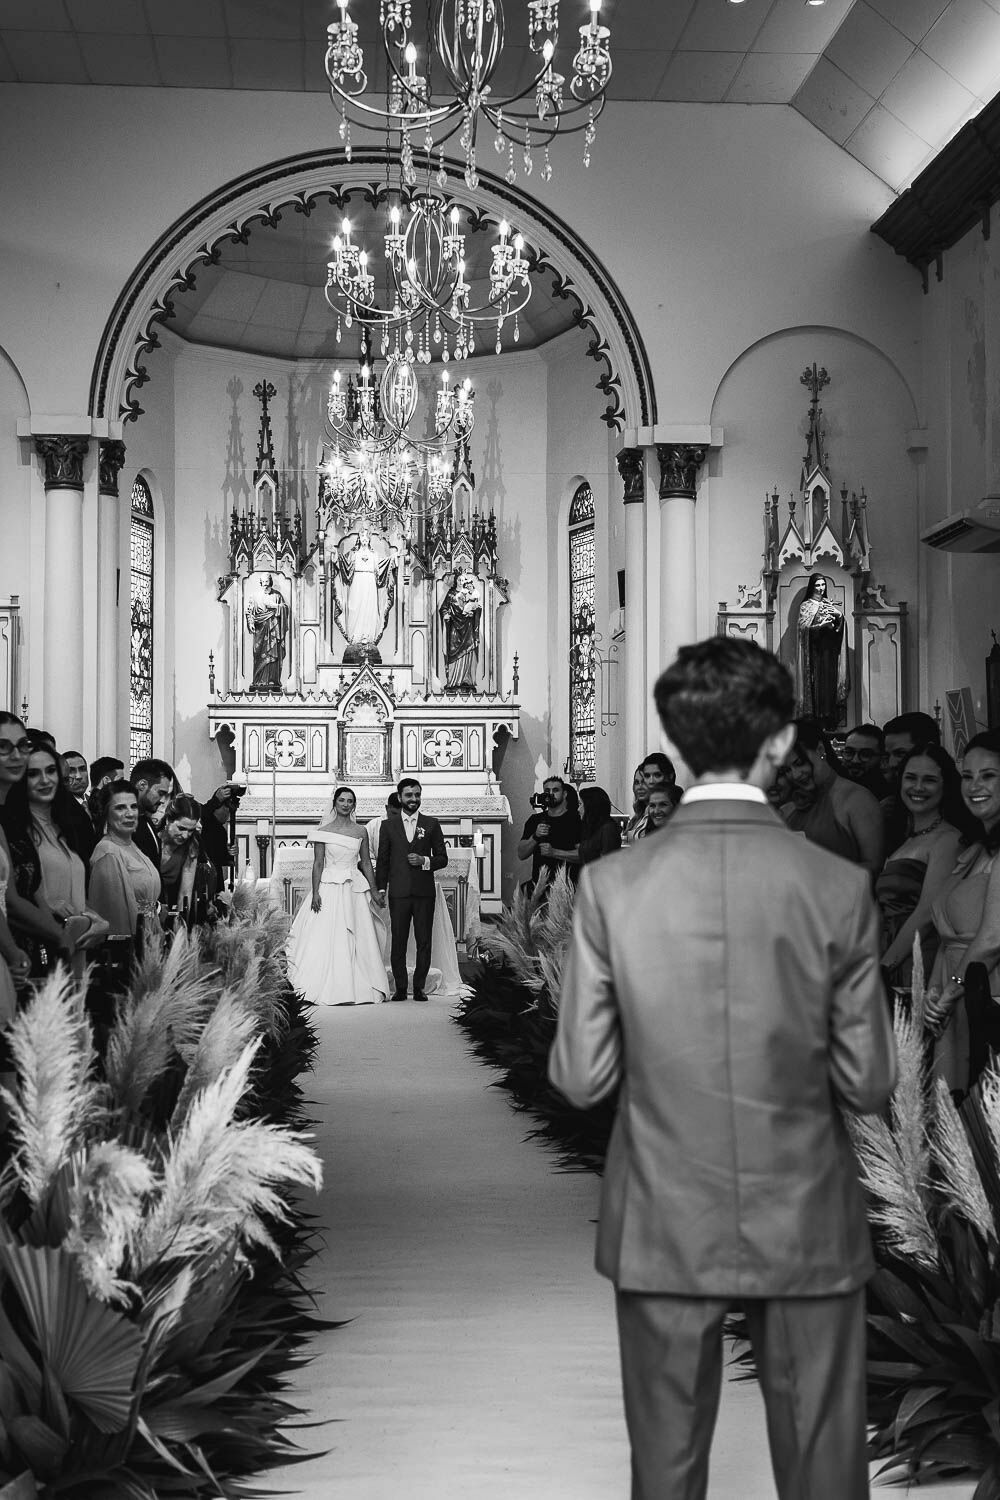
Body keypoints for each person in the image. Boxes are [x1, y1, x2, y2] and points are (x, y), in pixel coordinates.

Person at [549, 634, 894, 1500]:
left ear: (675, 741)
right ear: (779, 744)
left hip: (664, 1208)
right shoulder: (837, 888)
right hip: (807, 1206)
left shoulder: (612, 887)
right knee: (824, 1469)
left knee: (665, 1472)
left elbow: (583, 1078)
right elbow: (869, 1083)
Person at [924, 729, 1000, 1088]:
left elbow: (992, 939)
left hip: (987, 997)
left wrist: (950, 992)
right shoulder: (974, 847)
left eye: (988, 775)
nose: (974, 785)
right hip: (954, 996)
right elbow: (946, 936)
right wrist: (933, 993)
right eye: (967, 776)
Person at [2, 743, 106, 962]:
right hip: (38, 946)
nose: (45, 780)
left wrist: (97, 921)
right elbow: (16, 894)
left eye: (50, 771)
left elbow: (74, 891)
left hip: (76, 941)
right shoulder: (14, 829)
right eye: (33, 774)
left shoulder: (65, 825)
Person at [287, 785, 387, 1006]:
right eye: (342, 800)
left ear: (354, 805)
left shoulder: (361, 831)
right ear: (335, 803)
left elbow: (366, 863)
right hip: (328, 887)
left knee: (355, 934)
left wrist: (373, 888)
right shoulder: (323, 831)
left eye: (350, 801)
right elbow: (318, 863)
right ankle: (318, 984)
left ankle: (358, 984)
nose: (345, 804)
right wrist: (315, 893)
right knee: (324, 933)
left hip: (353, 888)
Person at [876, 744, 967, 987]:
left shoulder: (948, 840)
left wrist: (884, 967)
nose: (917, 787)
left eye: (929, 780)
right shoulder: (903, 839)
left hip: (917, 962)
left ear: (945, 785)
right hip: (889, 955)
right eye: (910, 778)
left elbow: (927, 914)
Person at [0, 713, 72, 975]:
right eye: (3, 747)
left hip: (27, 950)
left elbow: (32, 890)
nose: (16, 755)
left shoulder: (14, 817)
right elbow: (9, 901)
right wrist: (62, 937)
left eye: (22, 745)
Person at [781, 719, 884, 877]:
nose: (795, 775)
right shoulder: (789, 804)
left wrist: (824, 874)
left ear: (821, 749)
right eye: (787, 769)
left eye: (800, 763)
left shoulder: (857, 799)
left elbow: (875, 866)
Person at [376, 778, 449, 1003]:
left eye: (417, 795)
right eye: (409, 795)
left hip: (423, 892)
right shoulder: (388, 826)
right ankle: (400, 988)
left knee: (423, 941)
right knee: (398, 940)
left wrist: (424, 860)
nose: (413, 799)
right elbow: (383, 860)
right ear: (400, 797)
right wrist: (380, 889)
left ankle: (419, 988)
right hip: (398, 891)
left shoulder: (431, 824)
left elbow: (442, 858)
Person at [88, 781, 161, 937]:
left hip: (150, 937)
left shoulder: (132, 845)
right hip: (130, 944)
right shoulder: (107, 852)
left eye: (133, 806)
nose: (130, 813)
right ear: (106, 813)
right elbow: (115, 920)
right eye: (120, 808)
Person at [795, 573, 847, 723]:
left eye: (823, 585)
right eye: (817, 585)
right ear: (812, 586)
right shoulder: (806, 606)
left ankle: (829, 717)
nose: (820, 588)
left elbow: (841, 627)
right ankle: (817, 717)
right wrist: (820, 626)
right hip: (815, 653)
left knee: (829, 684)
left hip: (829, 652)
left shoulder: (828, 604)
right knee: (816, 684)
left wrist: (839, 616)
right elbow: (803, 629)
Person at [516, 776, 582, 888]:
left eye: (555, 790)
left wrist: (554, 852)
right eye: (547, 791)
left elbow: (584, 855)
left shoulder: (576, 820)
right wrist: (535, 837)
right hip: (540, 885)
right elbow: (521, 854)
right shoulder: (535, 820)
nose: (551, 794)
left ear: (564, 794)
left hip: (567, 886)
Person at [158, 794, 218, 914]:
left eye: (191, 830)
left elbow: (185, 893)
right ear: (168, 820)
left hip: (170, 903)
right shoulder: (152, 841)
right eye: (181, 828)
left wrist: (181, 923)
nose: (186, 836)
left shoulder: (191, 846)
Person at [440, 570, 482, 690]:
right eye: (459, 580)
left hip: (468, 627)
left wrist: (474, 612)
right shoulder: (451, 594)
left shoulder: (469, 594)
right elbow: (443, 608)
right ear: (455, 581)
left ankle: (466, 680)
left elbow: (477, 607)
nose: (461, 582)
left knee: (469, 651)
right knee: (453, 652)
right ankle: (453, 681)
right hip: (455, 628)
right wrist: (445, 615)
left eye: (463, 580)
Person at [246, 572, 289, 689]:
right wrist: (251, 623)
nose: (265, 585)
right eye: (263, 582)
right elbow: (249, 612)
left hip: (274, 631)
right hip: (260, 631)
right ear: (260, 583)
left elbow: (285, 609)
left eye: (267, 582)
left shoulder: (277, 595)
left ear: (270, 582)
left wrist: (275, 606)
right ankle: (258, 681)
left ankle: (272, 680)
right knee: (259, 654)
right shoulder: (254, 596)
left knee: (274, 655)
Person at [129, 758, 175, 870]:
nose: (163, 800)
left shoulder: (146, 819)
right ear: (142, 785)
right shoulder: (125, 824)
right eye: (160, 793)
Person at [840, 724, 889, 799]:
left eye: (865, 754)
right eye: (849, 752)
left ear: (882, 759)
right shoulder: (832, 787)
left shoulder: (887, 799)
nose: (855, 760)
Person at [623, 764, 649, 845]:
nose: (640, 787)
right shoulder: (638, 815)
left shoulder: (656, 814)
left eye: (644, 782)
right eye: (637, 782)